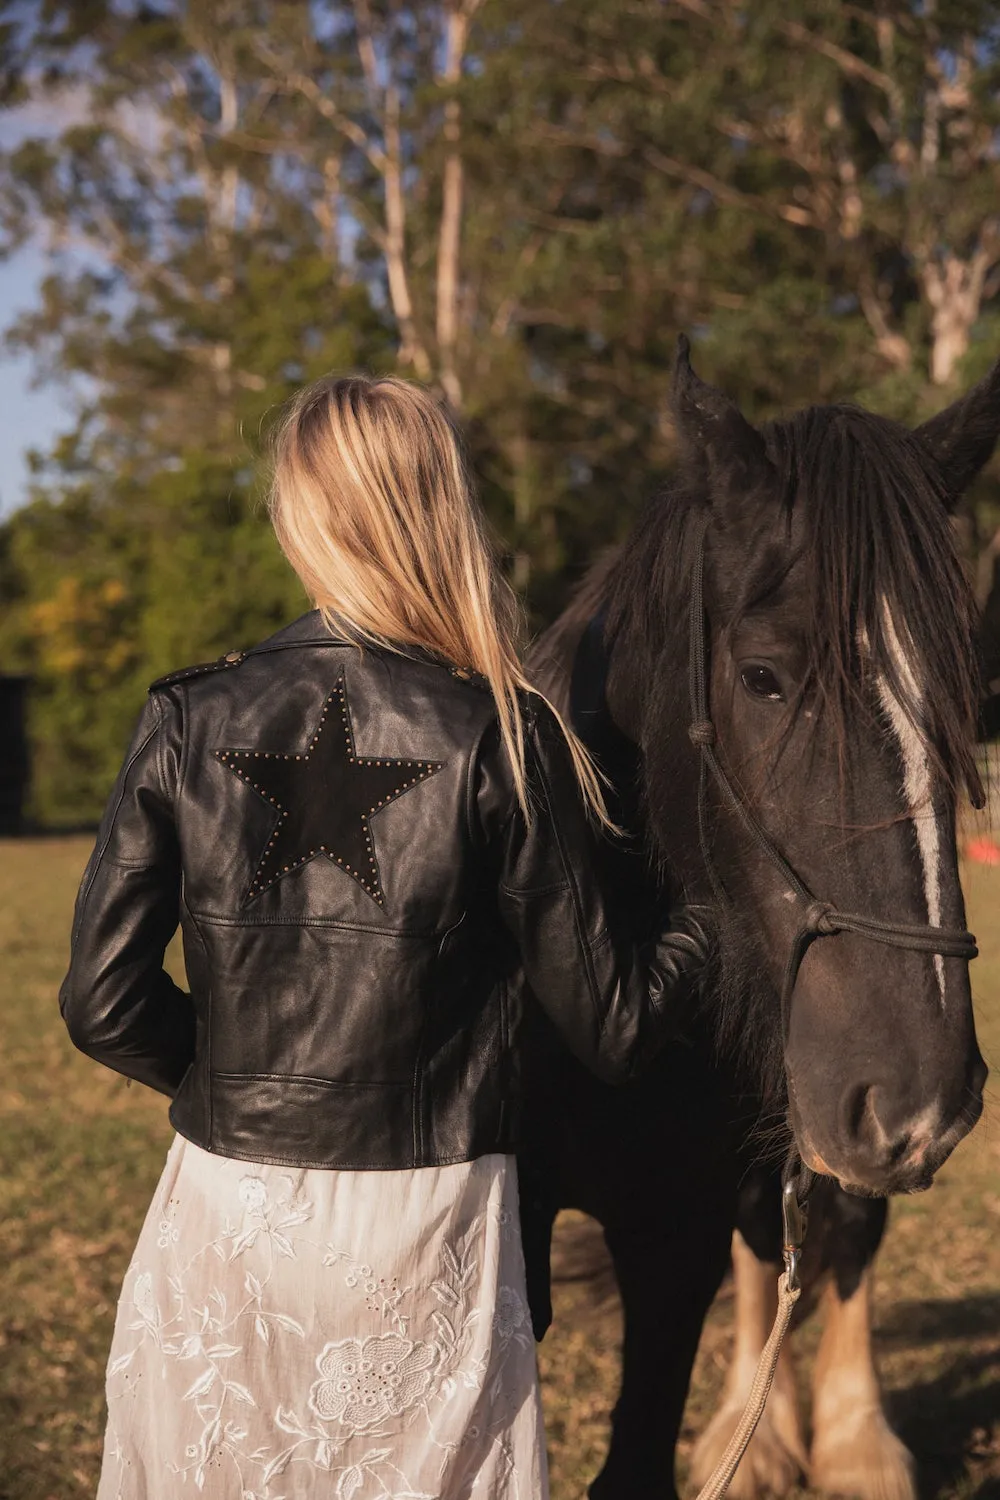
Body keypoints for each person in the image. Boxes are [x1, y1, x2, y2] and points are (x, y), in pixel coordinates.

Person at [59, 374, 712, 1500]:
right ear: (439, 507)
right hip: (429, 1222)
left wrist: (244, 1092)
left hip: (224, 1201)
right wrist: (717, 913)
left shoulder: (184, 714)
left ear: (296, 517)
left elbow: (102, 1004)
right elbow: (616, 1029)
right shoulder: (507, 734)